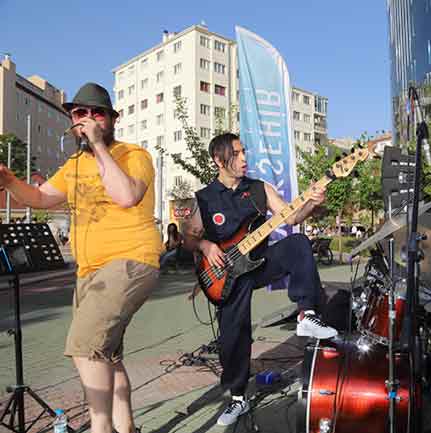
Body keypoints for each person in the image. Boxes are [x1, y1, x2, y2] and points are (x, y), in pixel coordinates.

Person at [0, 82, 161, 433]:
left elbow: (125, 196)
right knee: (107, 358)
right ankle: (126, 428)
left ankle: (99, 427)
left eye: (96, 113)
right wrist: (9, 179)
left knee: (85, 348)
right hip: (90, 272)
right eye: (79, 113)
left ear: (112, 119)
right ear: (71, 120)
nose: (87, 119)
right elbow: (41, 199)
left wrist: (100, 147)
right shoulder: (72, 165)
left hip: (130, 259)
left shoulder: (134, 155)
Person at [181, 133, 337, 426]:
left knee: (298, 244)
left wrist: (312, 202)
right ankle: (238, 398)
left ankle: (308, 313)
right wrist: (205, 245)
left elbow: (291, 218)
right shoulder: (204, 198)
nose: (244, 159)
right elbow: (189, 238)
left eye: (244, 152)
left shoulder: (259, 189)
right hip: (227, 276)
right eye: (237, 154)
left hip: (260, 263)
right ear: (218, 159)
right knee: (233, 338)